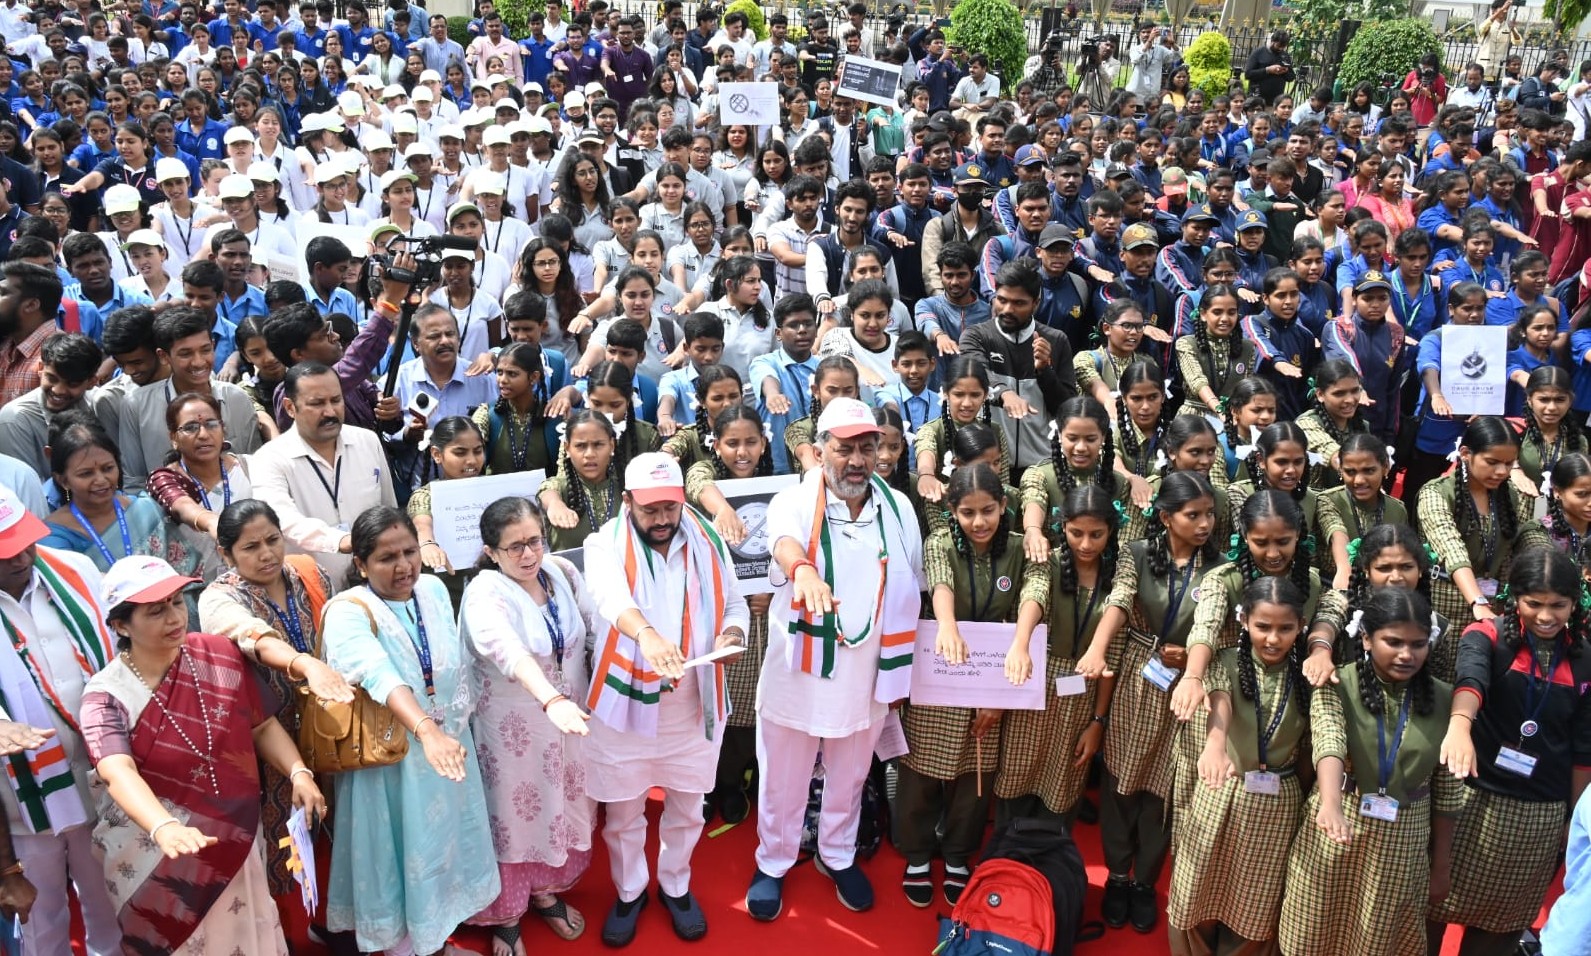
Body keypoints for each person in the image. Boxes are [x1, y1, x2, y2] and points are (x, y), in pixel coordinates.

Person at [80, 554, 323, 954]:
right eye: (156, 611)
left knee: (248, 933)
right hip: (155, 855)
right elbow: (117, 771)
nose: (175, 617)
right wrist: (164, 827)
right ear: (122, 625)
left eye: (177, 602)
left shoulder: (218, 655)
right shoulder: (106, 695)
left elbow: (260, 725)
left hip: (236, 835)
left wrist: (298, 772)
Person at [748, 398, 924, 920]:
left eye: (866, 449)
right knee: (783, 774)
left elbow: (911, 576)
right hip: (799, 670)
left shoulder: (897, 507)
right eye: (843, 448)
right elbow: (783, 541)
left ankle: (838, 854)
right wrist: (802, 570)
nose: (855, 460)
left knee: (849, 774)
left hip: (866, 675)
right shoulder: (795, 500)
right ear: (821, 449)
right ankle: (774, 861)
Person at [582, 452, 748, 945]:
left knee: (688, 807)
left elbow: (734, 602)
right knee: (625, 811)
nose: (662, 520)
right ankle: (630, 891)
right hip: (624, 702)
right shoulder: (602, 544)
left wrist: (733, 633)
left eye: (670, 509)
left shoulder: (708, 539)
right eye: (650, 509)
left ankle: (676, 885)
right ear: (628, 501)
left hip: (693, 700)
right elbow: (612, 599)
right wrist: (649, 637)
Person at [319, 506, 501, 956]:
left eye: (410, 552)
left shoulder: (434, 588)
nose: (404, 567)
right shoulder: (346, 610)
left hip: (447, 750)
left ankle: (435, 942)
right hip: (393, 761)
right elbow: (379, 674)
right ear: (360, 564)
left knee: (445, 850)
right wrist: (426, 730)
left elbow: (455, 660)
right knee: (399, 859)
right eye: (386, 558)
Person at [196, 499, 353, 940]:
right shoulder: (219, 597)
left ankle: (339, 922)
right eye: (251, 547)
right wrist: (307, 665)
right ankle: (290, 935)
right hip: (267, 740)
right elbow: (253, 637)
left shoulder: (308, 572)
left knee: (339, 827)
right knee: (285, 838)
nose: (266, 554)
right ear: (226, 554)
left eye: (272, 540)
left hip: (331, 727)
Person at [1431, 546, 1591, 955]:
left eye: (1559, 605)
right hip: (1471, 802)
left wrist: (1571, 820)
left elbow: (1583, 748)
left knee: (1501, 929)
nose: (1546, 616)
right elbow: (1471, 680)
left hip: (1539, 815)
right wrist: (1460, 725)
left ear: (1575, 603)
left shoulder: (1586, 660)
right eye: (1533, 603)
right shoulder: (1486, 635)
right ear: (1513, 598)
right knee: (1430, 914)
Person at [461, 496, 600, 952]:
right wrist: (551, 698)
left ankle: (544, 892)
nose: (527, 555)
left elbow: (594, 628)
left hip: (568, 721)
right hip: (512, 733)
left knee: (561, 805)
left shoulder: (562, 573)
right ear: (490, 551)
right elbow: (508, 650)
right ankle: (505, 916)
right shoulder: (486, 592)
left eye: (534, 541)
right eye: (513, 547)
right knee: (515, 817)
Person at [0, 484, 122, 956]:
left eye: (25, 544)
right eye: (6, 553)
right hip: (20, 796)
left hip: (99, 774)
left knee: (110, 899)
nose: (21, 560)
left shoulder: (76, 569)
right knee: (41, 920)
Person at [249, 363, 399, 581]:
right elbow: (282, 519)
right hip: (312, 590)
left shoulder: (367, 440)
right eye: (317, 403)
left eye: (336, 400)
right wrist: (341, 541)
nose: (330, 412)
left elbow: (388, 508)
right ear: (290, 408)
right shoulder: (269, 459)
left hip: (375, 583)